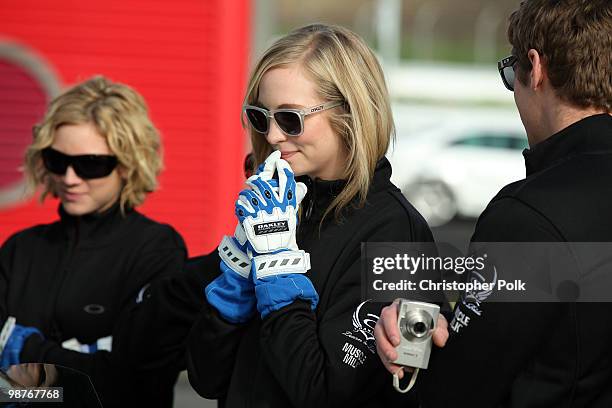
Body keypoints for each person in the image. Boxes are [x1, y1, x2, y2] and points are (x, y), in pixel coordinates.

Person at [186, 23, 443, 407]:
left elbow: (326, 393)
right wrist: (228, 299)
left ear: (349, 113)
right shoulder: (282, 208)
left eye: (290, 118)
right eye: (261, 117)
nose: (272, 135)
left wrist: (279, 276)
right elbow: (206, 379)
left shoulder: (396, 233)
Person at [374, 0, 612, 406]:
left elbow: (459, 388)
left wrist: (409, 347)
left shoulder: (531, 216)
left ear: (535, 69)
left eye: (511, 73)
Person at [0, 76, 187, 407]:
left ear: (128, 165)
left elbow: (134, 385)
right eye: (57, 160)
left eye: (91, 164)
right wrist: (73, 365)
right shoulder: (20, 250)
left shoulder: (157, 250)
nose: (70, 178)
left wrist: (23, 349)